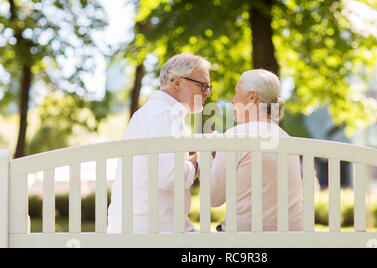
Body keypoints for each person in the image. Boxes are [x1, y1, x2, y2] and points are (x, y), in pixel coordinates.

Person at [107, 53, 212, 233]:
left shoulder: (161, 113)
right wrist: (200, 157)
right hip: (151, 232)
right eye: (203, 85)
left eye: (209, 87)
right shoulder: (165, 115)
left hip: (147, 227)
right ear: (177, 82)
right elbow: (171, 176)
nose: (208, 93)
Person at [210, 69, 303, 232]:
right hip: (291, 240)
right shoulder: (288, 140)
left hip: (245, 245)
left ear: (252, 97)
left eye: (236, 94)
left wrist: (206, 158)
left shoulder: (235, 136)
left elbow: (213, 198)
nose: (232, 101)